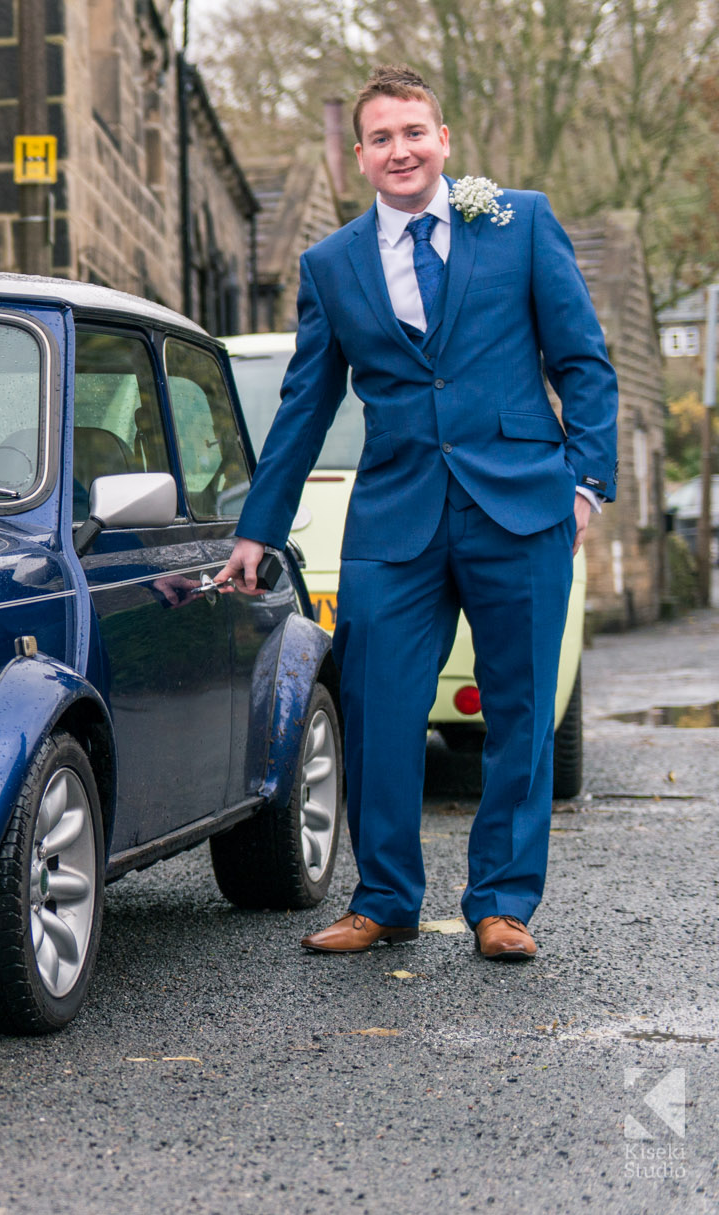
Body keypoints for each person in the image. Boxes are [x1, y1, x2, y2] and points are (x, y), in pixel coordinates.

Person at [218, 66, 617, 964]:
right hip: (395, 515)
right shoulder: (330, 266)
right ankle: (387, 897)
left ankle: (503, 904)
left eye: (415, 133)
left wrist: (587, 482)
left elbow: (583, 361)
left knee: (518, 711)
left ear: (444, 141)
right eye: (382, 138)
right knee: (376, 707)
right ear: (357, 156)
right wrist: (257, 526)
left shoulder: (518, 224)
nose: (401, 150)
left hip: (521, 505)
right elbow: (304, 407)